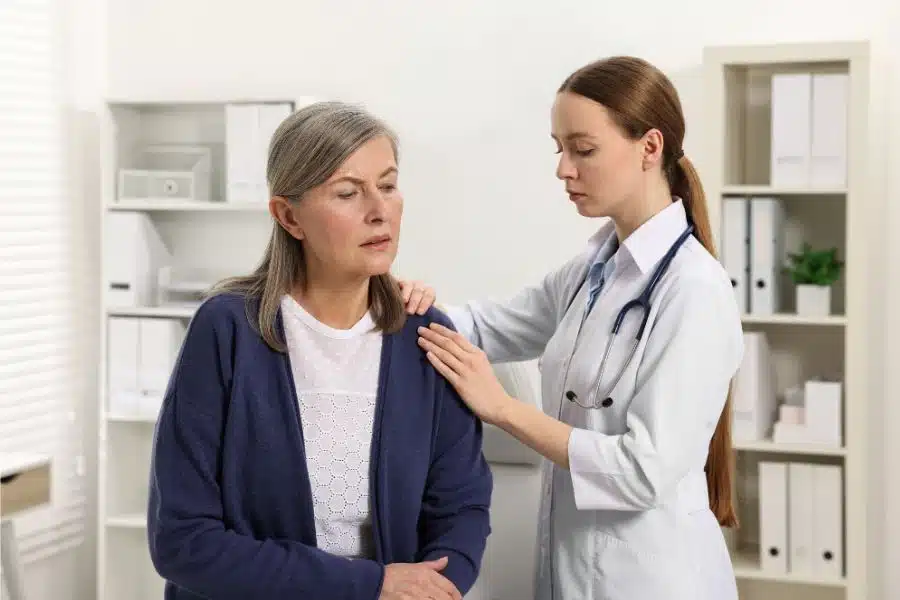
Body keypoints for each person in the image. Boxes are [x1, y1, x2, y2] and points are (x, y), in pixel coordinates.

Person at [403, 55, 744, 600]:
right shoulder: (594, 269)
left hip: (655, 583)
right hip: (574, 575)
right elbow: (487, 326)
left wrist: (502, 408)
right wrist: (396, 306)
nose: (563, 168)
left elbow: (640, 471)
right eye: (559, 149)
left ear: (649, 148)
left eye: (583, 150)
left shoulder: (695, 292)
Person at [146, 101, 493, 600]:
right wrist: (371, 585)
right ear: (289, 217)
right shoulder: (227, 330)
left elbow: (461, 508)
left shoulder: (426, 336)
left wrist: (433, 587)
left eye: (389, 185)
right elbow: (182, 542)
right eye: (348, 193)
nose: (379, 210)